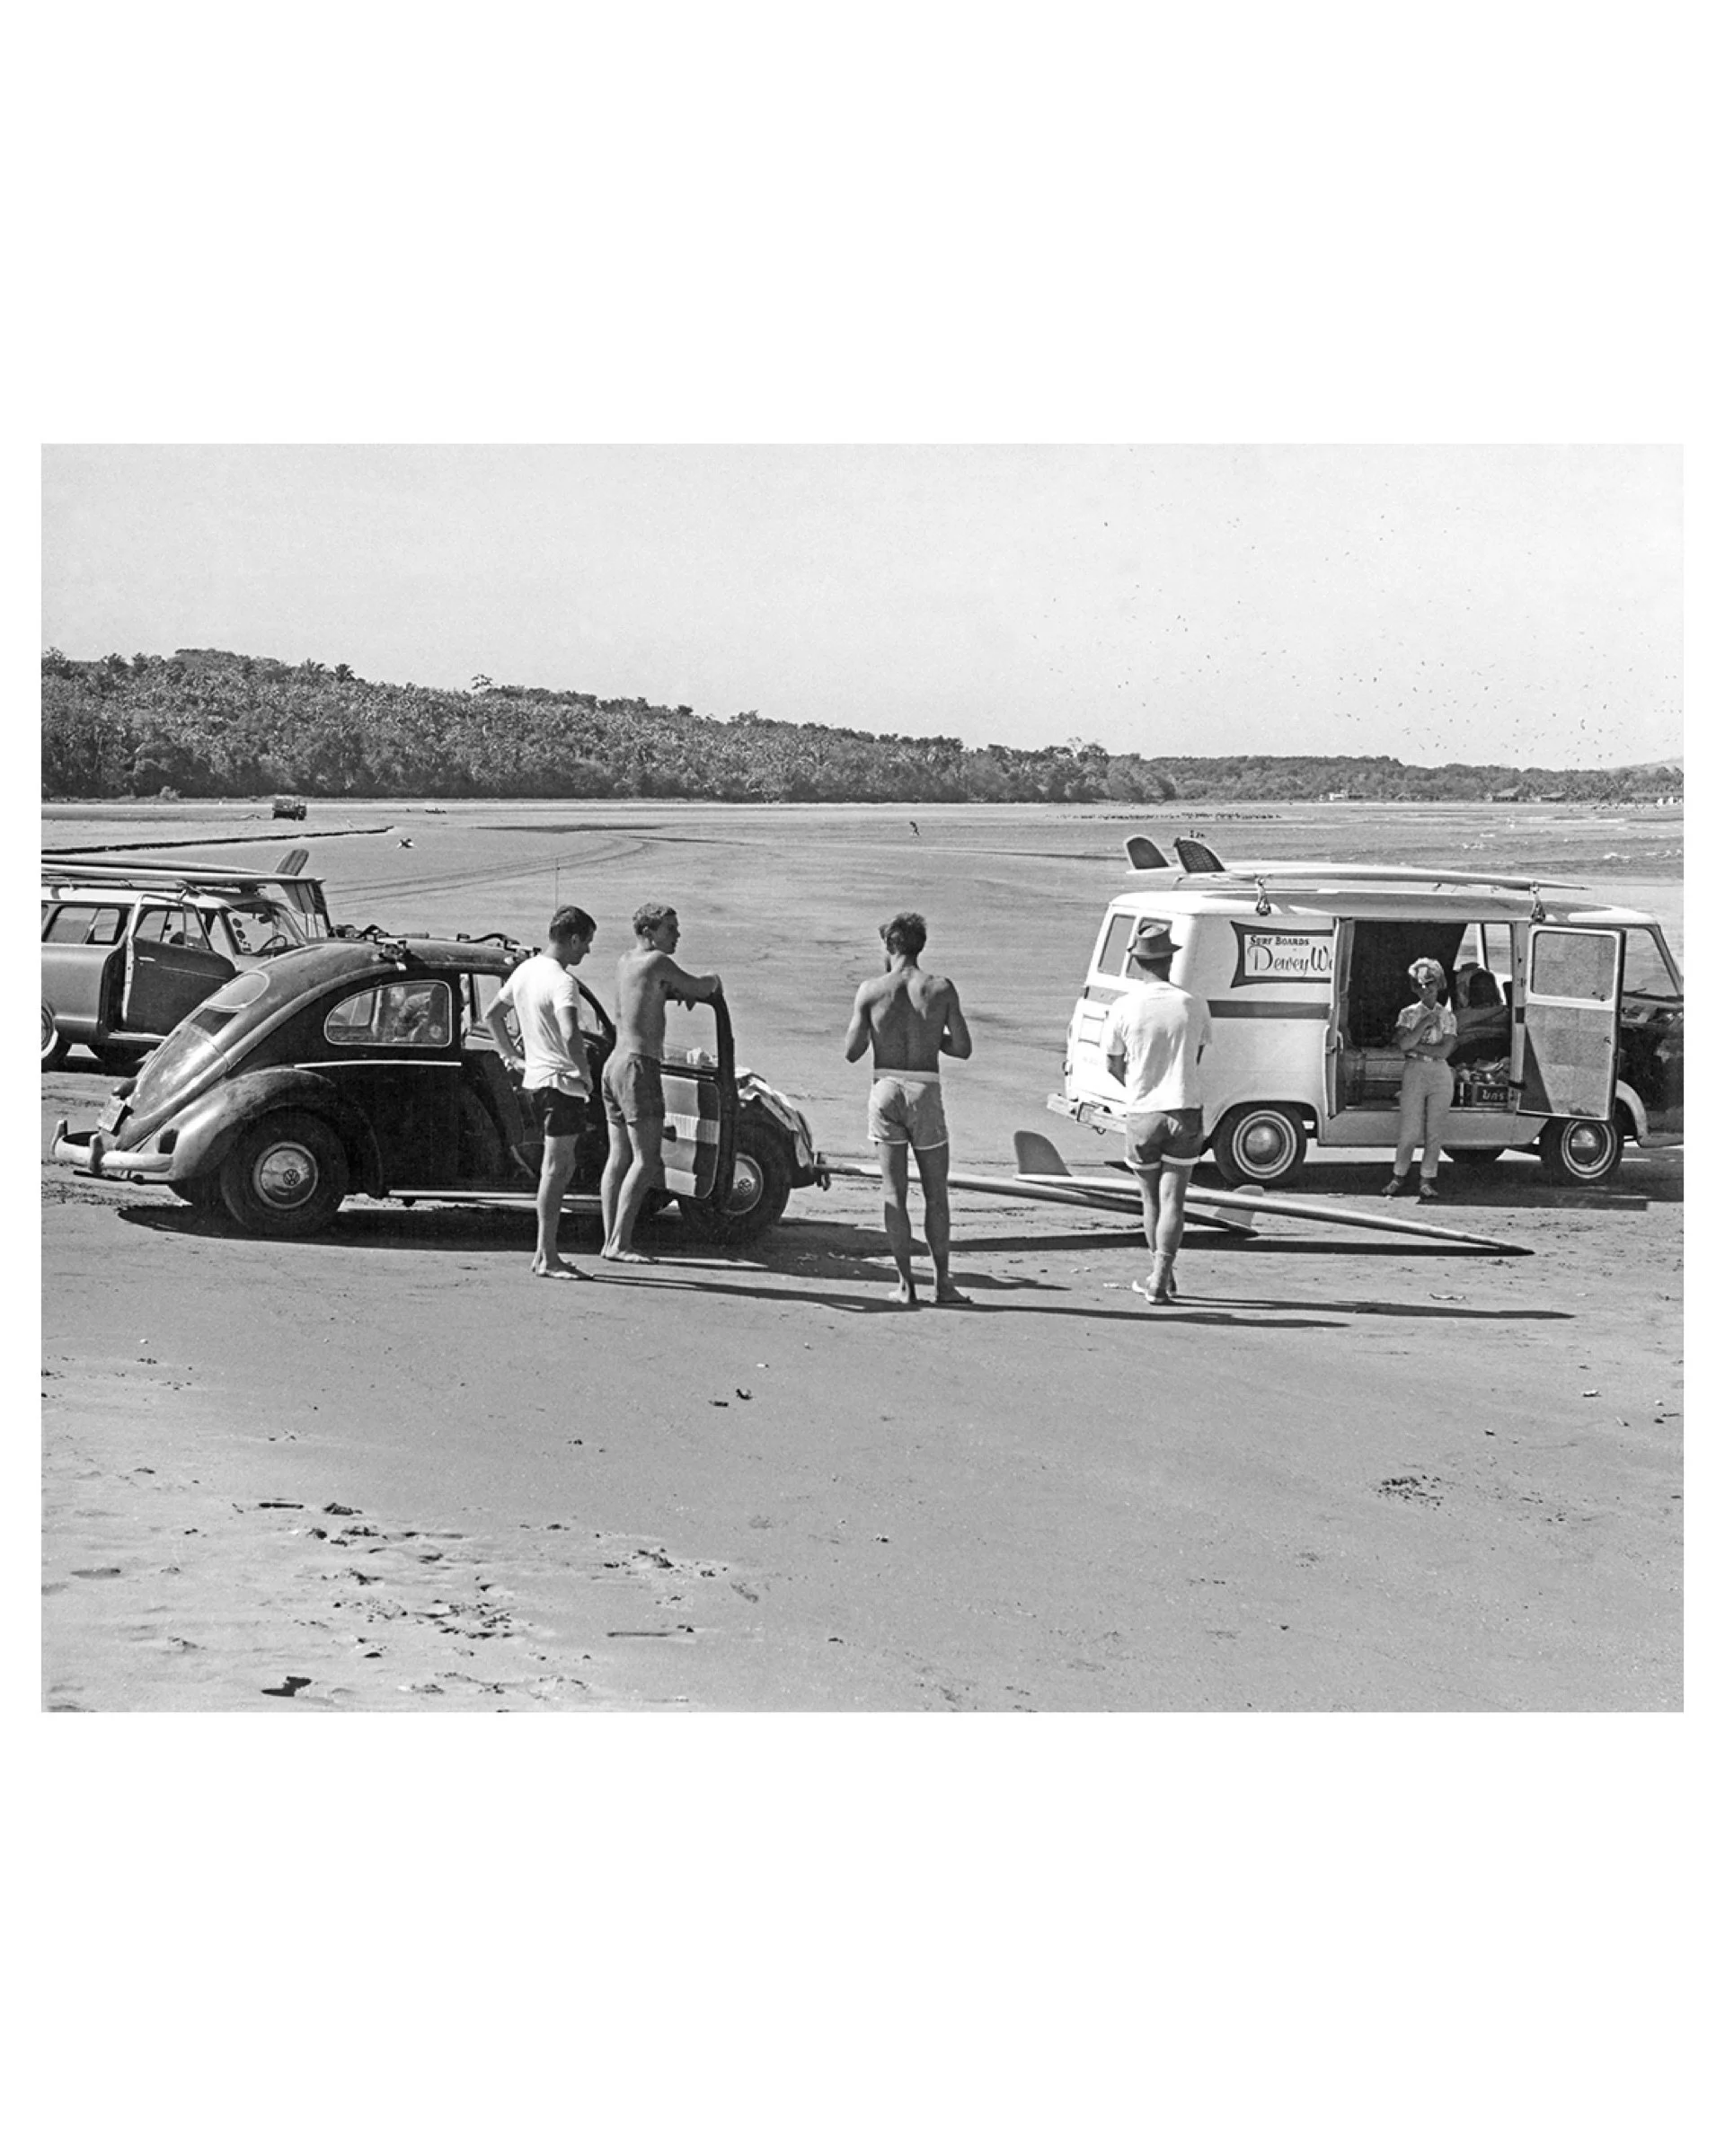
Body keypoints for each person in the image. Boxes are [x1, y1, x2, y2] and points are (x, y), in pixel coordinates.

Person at [843, 911, 973, 1308]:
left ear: (888, 945)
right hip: (924, 1089)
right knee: (936, 1193)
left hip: (885, 1086)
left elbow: (852, 1052)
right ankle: (943, 1284)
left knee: (894, 1192)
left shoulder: (870, 989)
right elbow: (963, 1048)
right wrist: (930, 1038)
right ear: (922, 945)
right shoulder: (940, 988)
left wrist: (882, 1032)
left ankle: (904, 1284)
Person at [600, 903, 721, 1263]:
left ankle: (611, 1238)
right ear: (650, 932)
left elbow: (650, 995)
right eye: (670, 928)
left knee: (618, 1157)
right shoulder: (656, 963)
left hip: (614, 1065)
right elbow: (699, 986)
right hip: (639, 1066)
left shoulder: (627, 962)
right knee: (647, 1158)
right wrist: (715, 980)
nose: (677, 935)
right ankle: (620, 1243)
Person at [1101, 921, 1212, 1307]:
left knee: (1150, 1200)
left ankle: (1159, 1275)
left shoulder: (1124, 1006)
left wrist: (1136, 1085)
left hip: (1144, 1111)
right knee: (1175, 1199)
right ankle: (1162, 1277)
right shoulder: (1192, 1003)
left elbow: (1114, 1064)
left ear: (1138, 963)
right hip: (1185, 1107)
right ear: (1169, 960)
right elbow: (1195, 1056)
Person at [486, 906, 598, 1278]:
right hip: (560, 1084)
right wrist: (585, 1075)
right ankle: (547, 1256)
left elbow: (492, 1015)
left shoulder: (525, 969)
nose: (586, 952)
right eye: (586, 943)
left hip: (536, 1081)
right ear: (573, 938)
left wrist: (513, 1057)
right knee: (556, 1169)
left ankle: (543, 1254)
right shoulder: (563, 982)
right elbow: (570, 1033)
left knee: (556, 1168)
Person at [1384, 957, 1457, 1200]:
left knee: (1435, 1131)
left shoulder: (1448, 1016)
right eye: (1420, 985)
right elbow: (1403, 1044)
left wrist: (1417, 1047)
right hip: (1415, 1071)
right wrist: (1424, 1024)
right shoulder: (1408, 1013)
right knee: (1410, 1131)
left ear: (1439, 985)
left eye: (1430, 984)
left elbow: (1445, 1051)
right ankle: (1398, 1175)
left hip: (1439, 1072)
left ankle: (1427, 1179)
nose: (1425, 989)